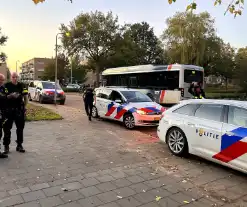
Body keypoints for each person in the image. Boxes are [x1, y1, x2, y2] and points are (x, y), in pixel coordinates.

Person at [3, 72, 28, 154]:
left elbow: (25, 97)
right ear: (11, 77)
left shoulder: (22, 85)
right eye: (13, 77)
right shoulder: (6, 85)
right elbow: (3, 96)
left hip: (19, 110)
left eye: (16, 77)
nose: (15, 78)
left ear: (18, 77)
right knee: (7, 128)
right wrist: (10, 96)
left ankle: (19, 145)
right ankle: (6, 146)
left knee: (20, 128)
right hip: (9, 110)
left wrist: (25, 107)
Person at [0, 74, 8, 158]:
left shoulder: (3, 88)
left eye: (3, 80)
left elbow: (5, 97)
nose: (2, 81)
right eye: (1, 79)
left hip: (2, 112)